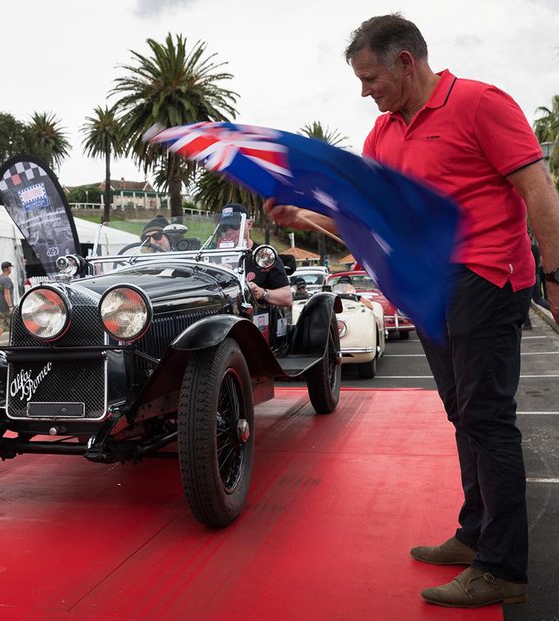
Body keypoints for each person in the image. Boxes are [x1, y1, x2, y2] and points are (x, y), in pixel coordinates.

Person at [264, 14, 559, 608]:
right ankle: (476, 535)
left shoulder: (480, 103)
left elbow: (539, 193)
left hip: (485, 276)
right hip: (430, 287)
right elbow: (368, 222)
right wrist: (304, 220)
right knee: (462, 413)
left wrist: (555, 281)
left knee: (486, 416)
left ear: (405, 61)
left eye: (370, 77)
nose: (364, 91)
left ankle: (503, 567)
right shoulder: (383, 136)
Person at [214, 204, 292, 307]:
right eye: (224, 227)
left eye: (234, 225)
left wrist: (261, 293)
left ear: (249, 224)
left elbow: (287, 298)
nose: (228, 230)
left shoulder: (264, 255)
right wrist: (216, 272)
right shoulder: (212, 257)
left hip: (257, 318)